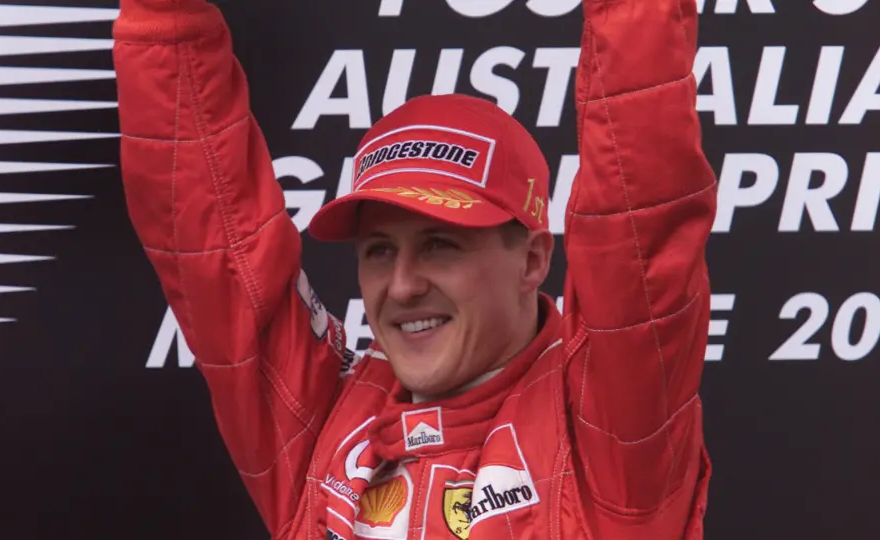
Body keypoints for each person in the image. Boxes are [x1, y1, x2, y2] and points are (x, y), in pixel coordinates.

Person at [112, 0, 716, 538]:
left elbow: (641, 218)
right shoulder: (324, 419)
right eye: (379, 250)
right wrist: (166, 15)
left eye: (440, 245)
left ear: (532, 259)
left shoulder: (604, 432)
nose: (401, 285)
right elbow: (211, 236)